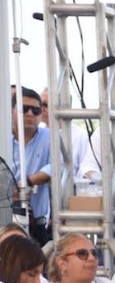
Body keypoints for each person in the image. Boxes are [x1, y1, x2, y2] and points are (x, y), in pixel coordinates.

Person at [9, 88, 52, 245]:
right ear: (11, 111)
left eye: (35, 110)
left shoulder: (50, 137)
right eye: (23, 109)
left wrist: (29, 181)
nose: (29, 114)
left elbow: (59, 167)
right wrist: (8, 191)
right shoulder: (2, 136)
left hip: (36, 222)